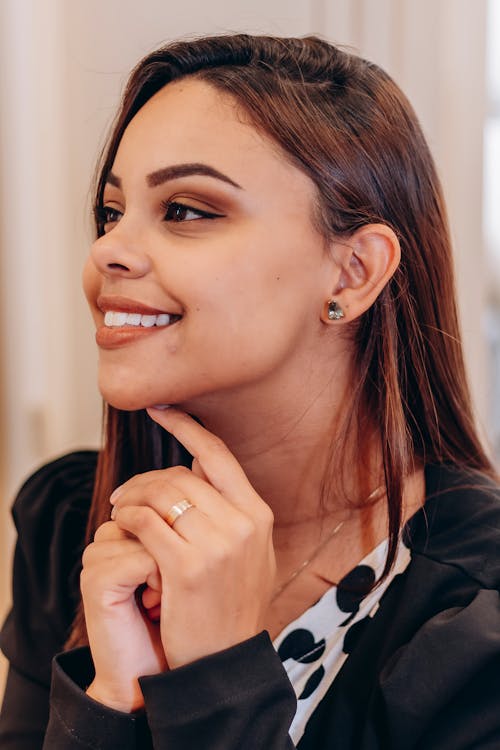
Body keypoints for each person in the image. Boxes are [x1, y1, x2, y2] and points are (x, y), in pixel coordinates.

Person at [0, 32, 499, 750]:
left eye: (187, 210)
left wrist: (215, 682)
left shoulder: (476, 621)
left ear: (354, 271)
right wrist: (111, 703)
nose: (107, 249)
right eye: (112, 213)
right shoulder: (72, 528)